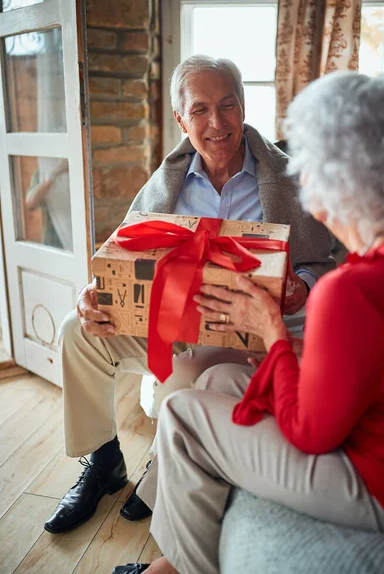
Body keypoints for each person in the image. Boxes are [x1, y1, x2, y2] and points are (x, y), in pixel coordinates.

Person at [113, 71, 384, 574]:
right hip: (378, 431)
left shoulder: (348, 290)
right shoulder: (379, 267)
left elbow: (312, 434)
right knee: (221, 378)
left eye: (309, 167)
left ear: (339, 180)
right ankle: (178, 554)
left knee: (181, 413)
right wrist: (293, 352)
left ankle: (182, 567)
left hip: (379, 482)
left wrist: (272, 332)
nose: (303, 184)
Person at [44, 55, 334, 534]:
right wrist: (94, 293)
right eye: (199, 110)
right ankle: (104, 461)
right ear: (181, 119)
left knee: (193, 369)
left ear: (244, 107)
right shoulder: (169, 179)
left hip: (239, 333)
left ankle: (165, 477)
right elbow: (122, 249)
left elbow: (323, 263)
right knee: (78, 332)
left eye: (227, 105)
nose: (216, 122)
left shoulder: (287, 180)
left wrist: (301, 287)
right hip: (169, 322)